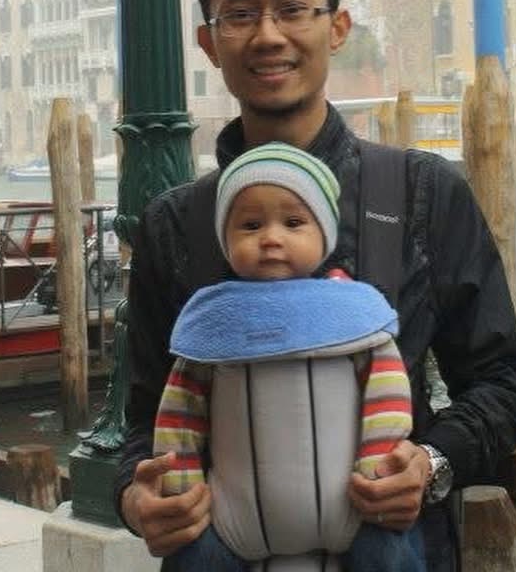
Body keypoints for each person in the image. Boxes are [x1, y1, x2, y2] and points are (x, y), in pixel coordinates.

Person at [116, 0, 516, 571]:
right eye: (240, 15)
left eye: (292, 9)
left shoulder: (423, 193)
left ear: (336, 28)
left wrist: (430, 463)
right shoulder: (172, 224)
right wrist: (136, 500)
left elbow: (499, 385)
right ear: (209, 42)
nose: (268, 35)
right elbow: (145, 416)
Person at [153, 141, 425, 571]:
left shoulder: (352, 312)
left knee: (391, 553)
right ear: (225, 240)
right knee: (193, 555)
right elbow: (180, 410)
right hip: (230, 524)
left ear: (325, 234)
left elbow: (386, 388)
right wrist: (180, 489)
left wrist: (380, 467)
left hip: (359, 509)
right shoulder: (213, 321)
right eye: (250, 225)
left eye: (294, 222)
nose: (271, 238)